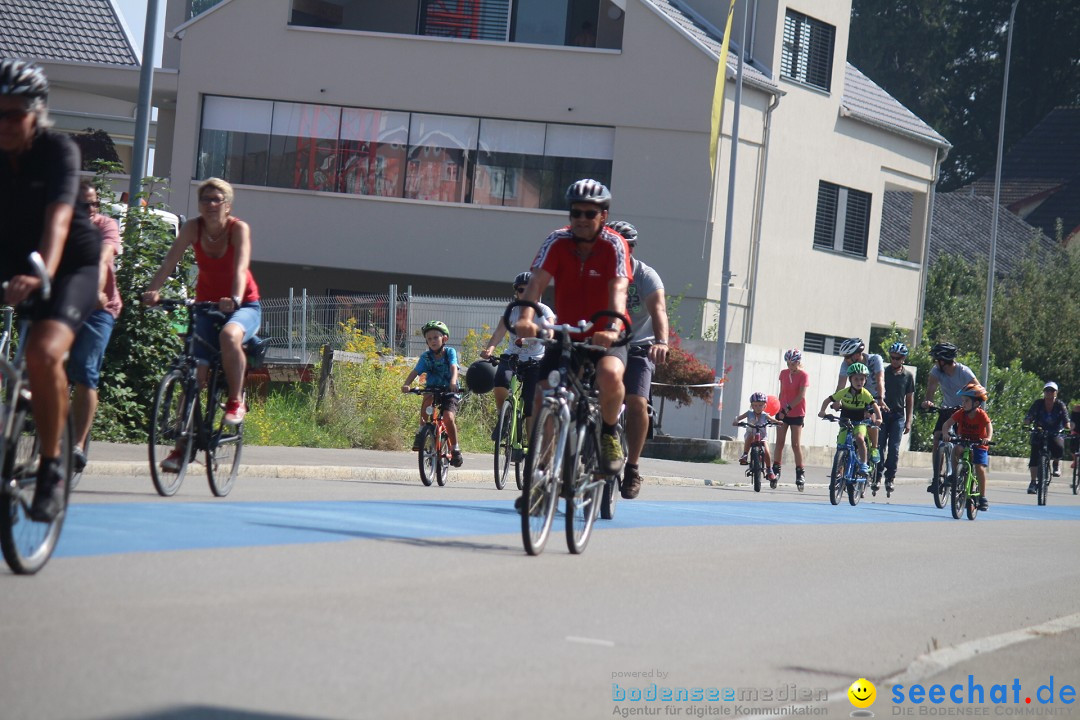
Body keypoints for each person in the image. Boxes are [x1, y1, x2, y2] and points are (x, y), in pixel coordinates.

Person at [1, 59, 101, 521]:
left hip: (70, 265)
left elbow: (58, 222)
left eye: (13, 112)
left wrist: (40, 272)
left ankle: (52, 466)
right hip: (16, 261)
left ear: (36, 113)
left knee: (43, 355)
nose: (3, 122)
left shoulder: (58, 151)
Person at [142, 178, 261, 471]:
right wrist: (153, 291)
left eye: (216, 199)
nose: (209, 204)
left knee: (230, 336)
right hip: (206, 305)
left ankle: (235, 400)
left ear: (227, 205)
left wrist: (233, 297)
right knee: (195, 373)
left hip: (243, 304)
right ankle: (181, 449)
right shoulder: (192, 228)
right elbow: (170, 261)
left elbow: (240, 267)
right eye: (205, 199)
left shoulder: (238, 229)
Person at [515, 179, 632, 475]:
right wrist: (526, 317)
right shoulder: (557, 241)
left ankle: (608, 433)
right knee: (544, 394)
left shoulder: (614, 244)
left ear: (603, 216)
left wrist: (613, 326)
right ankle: (542, 475)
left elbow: (619, 289)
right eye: (575, 213)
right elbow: (537, 281)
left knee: (608, 374)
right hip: (566, 332)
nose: (581, 219)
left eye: (589, 214)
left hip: (608, 332)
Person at [607, 220, 667, 499]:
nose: (616, 250)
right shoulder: (598, 270)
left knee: (636, 402)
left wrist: (661, 342)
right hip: (604, 342)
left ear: (631, 248)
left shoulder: (646, 276)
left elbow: (659, 312)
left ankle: (632, 467)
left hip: (638, 347)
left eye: (623, 245)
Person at [67, 180, 123, 472]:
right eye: (83, 204)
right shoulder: (60, 224)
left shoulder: (105, 225)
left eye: (94, 204)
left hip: (101, 307)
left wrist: (97, 290)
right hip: (65, 303)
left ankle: (77, 444)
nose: (90, 210)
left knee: (85, 370)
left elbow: (103, 259)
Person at [480, 272, 553, 443]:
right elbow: (499, 332)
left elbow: (550, 331)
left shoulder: (543, 311)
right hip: (513, 356)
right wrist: (489, 349)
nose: (525, 294)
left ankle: (531, 447)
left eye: (530, 290)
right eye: (521, 290)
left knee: (530, 405)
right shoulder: (512, 310)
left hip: (535, 360)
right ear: (516, 292)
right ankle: (503, 418)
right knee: (499, 381)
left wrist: (540, 335)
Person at [402, 320, 462, 467]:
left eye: (436, 337)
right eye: (429, 339)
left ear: (444, 339)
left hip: (449, 390)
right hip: (433, 389)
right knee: (426, 403)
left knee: (448, 417)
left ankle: (455, 449)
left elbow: (454, 367)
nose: (433, 341)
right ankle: (422, 432)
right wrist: (407, 384)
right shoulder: (426, 357)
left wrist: (453, 382)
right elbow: (415, 371)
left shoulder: (449, 353)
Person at [920, 341, 977, 493]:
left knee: (964, 444)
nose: (935, 362)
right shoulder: (937, 371)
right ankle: (937, 477)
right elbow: (931, 388)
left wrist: (971, 408)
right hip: (947, 410)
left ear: (943, 360)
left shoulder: (964, 372)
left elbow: (978, 390)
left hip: (965, 412)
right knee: (938, 437)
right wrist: (928, 401)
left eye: (936, 359)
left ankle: (963, 473)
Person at [819, 362, 882, 477]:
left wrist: (879, 418)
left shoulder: (865, 393)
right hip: (845, 422)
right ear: (850, 379)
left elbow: (874, 405)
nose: (859, 382)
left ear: (865, 380)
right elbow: (828, 400)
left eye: (862, 379)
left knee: (859, 438)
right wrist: (822, 411)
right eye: (856, 379)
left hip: (859, 423)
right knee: (841, 445)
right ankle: (839, 470)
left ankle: (863, 464)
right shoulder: (844, 392)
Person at [941, 381, 993, 511]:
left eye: (966, 401)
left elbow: (989, 426)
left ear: (976, 403)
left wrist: (987, 438)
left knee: (979, 467)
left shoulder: (981, 414)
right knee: (956, 450)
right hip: (964, 441)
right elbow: (946, 424)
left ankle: (982, 496)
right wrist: (945, 434)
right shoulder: (960, 413)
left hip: (979, 444)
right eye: (963, 401)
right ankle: (955, 474)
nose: (963, 404)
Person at [835, 338, 885, 467]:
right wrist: (836, 400)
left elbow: (880, 380)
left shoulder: (875, 360)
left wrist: (880, 400)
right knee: (845, 426)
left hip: (873, 396)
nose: (845, 360)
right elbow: (841, 384)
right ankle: (840, 468)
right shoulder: (846, 363)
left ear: (857, 355)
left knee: (870, 421)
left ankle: (874, 448)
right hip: (855, 397)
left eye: (847, 357)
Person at [877, 341, 915, 495]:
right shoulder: (883, 373)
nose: (894, 360)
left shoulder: (908, 376)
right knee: (879, 447)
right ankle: (877, 475)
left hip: (898, 416)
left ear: (903, 359)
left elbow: (910, 399)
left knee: (894, 449)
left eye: (898, 358)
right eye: (892, 357)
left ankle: (890, 477)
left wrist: (909, 420)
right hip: (883, 414)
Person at [1022, 381, 1071, 493]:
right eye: (1047, 390)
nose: (1049, 393)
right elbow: (1030, 415)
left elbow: (1066, 420)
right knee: (1034, 456)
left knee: (1059, 446)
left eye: (1052, 391)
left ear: (1056, 393)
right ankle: (1033, 482)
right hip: (1040, 431)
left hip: (1055, 432)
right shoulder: (1038, 403)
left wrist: (1067, 427)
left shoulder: (1060, 405)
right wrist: (1027, 421)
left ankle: (1056, 463)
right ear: (1044, 392)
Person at [773, 348, 809, 491]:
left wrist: (787, 409)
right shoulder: (783, 373)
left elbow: (801, 396)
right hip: (782, 412)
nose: (790, 367)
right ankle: (776, 470)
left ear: (798, 362)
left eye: (793, 364)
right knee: (779, 442)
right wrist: (778, 409)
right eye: (788, 364)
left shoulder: (803, 375)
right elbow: (782, 392)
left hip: (797, 412)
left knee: (795, 444)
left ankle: (800, 473)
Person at [734, 392, 779, 484]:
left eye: (760, 405)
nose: (758, 407)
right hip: (751, 434)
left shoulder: (764, 415)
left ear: (764, 406)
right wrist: (736, 421)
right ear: (752, 406)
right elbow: (739, 418)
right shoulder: (749, 413)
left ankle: (769, 470)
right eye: (755, 405)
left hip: (762, 437)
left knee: (766, 450)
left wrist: (778, 422)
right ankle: (745, 455)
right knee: (750, 436)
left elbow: (772, 420)